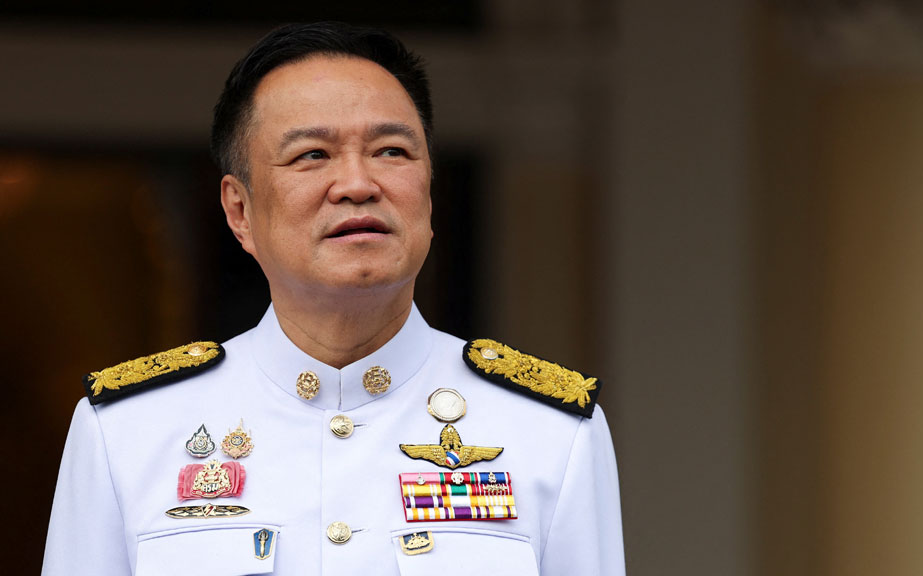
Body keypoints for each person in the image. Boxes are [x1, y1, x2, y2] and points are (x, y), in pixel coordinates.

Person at [42, 21, 624, 576]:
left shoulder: (551, 433)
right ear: (239, 211)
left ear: (428, 193)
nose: (357, 184)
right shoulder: (128, 431)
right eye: (312, 155)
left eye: (392, 151)